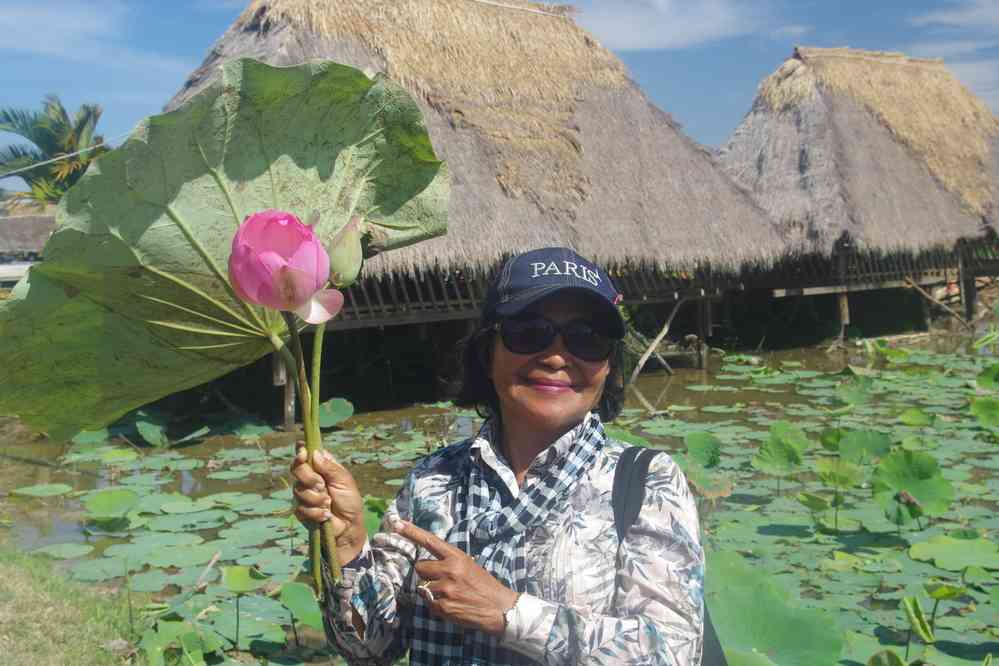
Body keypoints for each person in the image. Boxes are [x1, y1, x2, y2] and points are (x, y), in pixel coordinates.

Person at [292, 247, 705, 665]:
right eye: (529, 332)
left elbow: (674, 654)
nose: (558, 356)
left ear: (610, 367)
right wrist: (346, 541)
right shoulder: (434, 480)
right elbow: (369, 648)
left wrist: (508, 612)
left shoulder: (644, 483)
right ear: (488, 353)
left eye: (587, 337)